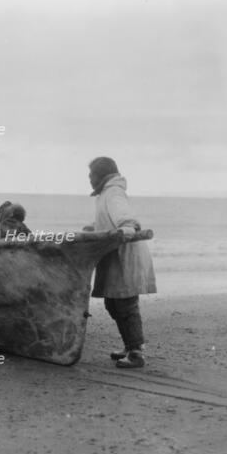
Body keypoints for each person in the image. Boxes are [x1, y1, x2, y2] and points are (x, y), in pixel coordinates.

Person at [87, 157, 157, 368]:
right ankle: (130, 346)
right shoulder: (106, 194)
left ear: (101, 175)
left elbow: (125, 217)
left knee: (125, 304)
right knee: (113, 303)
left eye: (91, 174)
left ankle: (136, 352)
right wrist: (92, 228)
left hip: (125, 255)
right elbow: (108, 218)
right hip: (115, 257)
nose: (89, 179)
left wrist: (128, 227)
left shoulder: (113, 192)